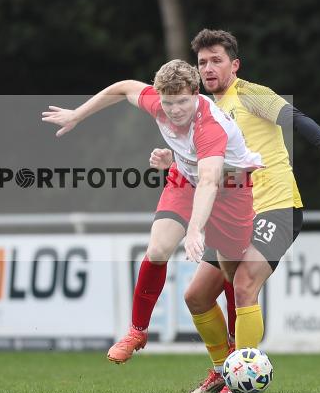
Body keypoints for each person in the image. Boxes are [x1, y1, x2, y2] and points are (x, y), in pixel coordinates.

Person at [151, 29, 320, 393]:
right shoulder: (202, 111)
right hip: (233, 214)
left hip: (275, 207)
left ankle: (242, 376)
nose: (209, 68)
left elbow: (295, 118)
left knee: (245, 284)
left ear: (235, 64)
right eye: (202, 62)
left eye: (217, 60)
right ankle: (222, 370)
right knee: (196, 296)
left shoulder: (249, 94)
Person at [42, 59, 262, 365]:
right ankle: (137, 331)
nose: (175, 110)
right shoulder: (159, 103)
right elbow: (123, 87)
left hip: (231, 190)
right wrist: (78, 115)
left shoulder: (209, 126)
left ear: (196, 94)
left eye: (183, 102)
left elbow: (211, 182)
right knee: (158, 248)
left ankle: (235, 361)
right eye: (169, 103)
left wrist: (196, 229)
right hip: (186, 179)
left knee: (231, 275)